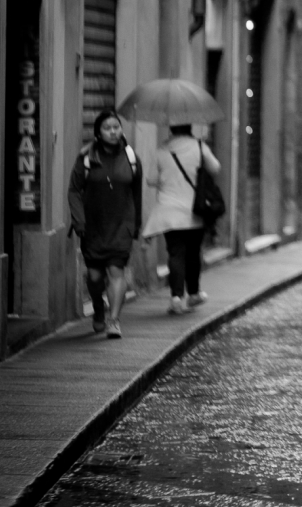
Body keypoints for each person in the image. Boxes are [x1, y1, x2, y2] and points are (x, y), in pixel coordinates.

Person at [68, 109, 143, 340]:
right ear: (98, 133)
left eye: (116, 127)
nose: (113, 132)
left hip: (121, 226)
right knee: (94, 277)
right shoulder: (86, 158)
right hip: (93, 227)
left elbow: (137, 194)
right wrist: (79, 221)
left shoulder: (131, 158)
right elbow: (74, 191)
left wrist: (136, 225)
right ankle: (98, 307)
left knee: (116, 271)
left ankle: (114, 320)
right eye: (107, 128)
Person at [142, 123, 221, 314]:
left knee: (176, 254)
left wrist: (168, 178)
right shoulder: (200, 147)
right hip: (195, 210)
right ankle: (193, 294)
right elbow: (215, 168)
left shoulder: (161, 150)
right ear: (189, 128)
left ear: (171, 129)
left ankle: (176, 298)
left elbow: (151, 179)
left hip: (168, 211)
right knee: (193, 254)